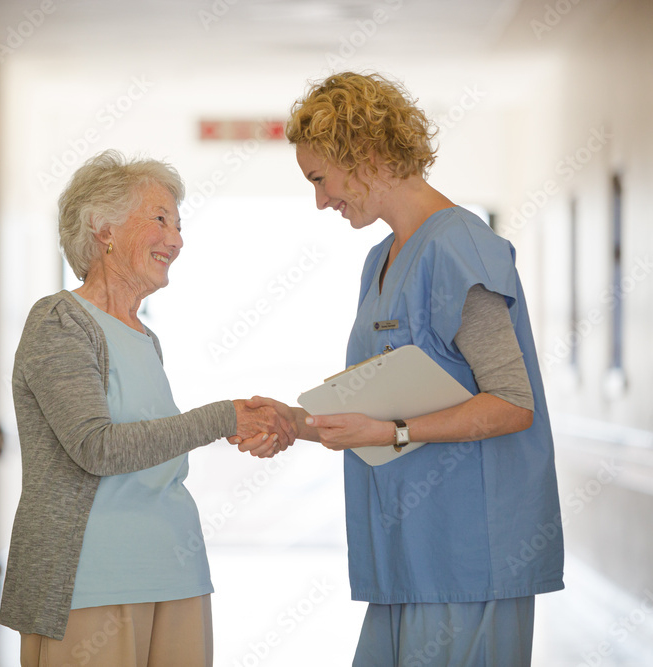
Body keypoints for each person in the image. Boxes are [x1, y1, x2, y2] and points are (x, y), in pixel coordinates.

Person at [240, 72, 564, 665]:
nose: (320, 200)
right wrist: (295, 421)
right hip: (407, 556)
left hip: (470, 560)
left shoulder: (460, 247)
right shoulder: (379, 260)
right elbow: (379, 408)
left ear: (362, 154)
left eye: (319, 178)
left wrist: (394, 434)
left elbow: (513, 403)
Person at [0, 149, 295, 667]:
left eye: (179, 225)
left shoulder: (145, 338)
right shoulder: (60, 320)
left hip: (176, 572)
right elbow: (96, 448)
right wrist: (221, 418)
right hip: (93, 581)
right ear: (103, 228)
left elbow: (158, 444)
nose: (177, 240)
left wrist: (245, 427)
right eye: (160, 220)